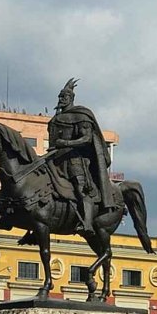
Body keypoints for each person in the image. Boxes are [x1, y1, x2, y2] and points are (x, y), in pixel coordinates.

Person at [46, 77, 116, 236]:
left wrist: (66, 143)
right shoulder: (55, 119)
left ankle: (88, 223)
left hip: (74, 159)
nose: (61, 99)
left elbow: (87, 138)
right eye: (59, 97)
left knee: (81, 188)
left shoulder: (81, 116)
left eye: (64, 97)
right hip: (54, 158)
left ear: (71, 99)